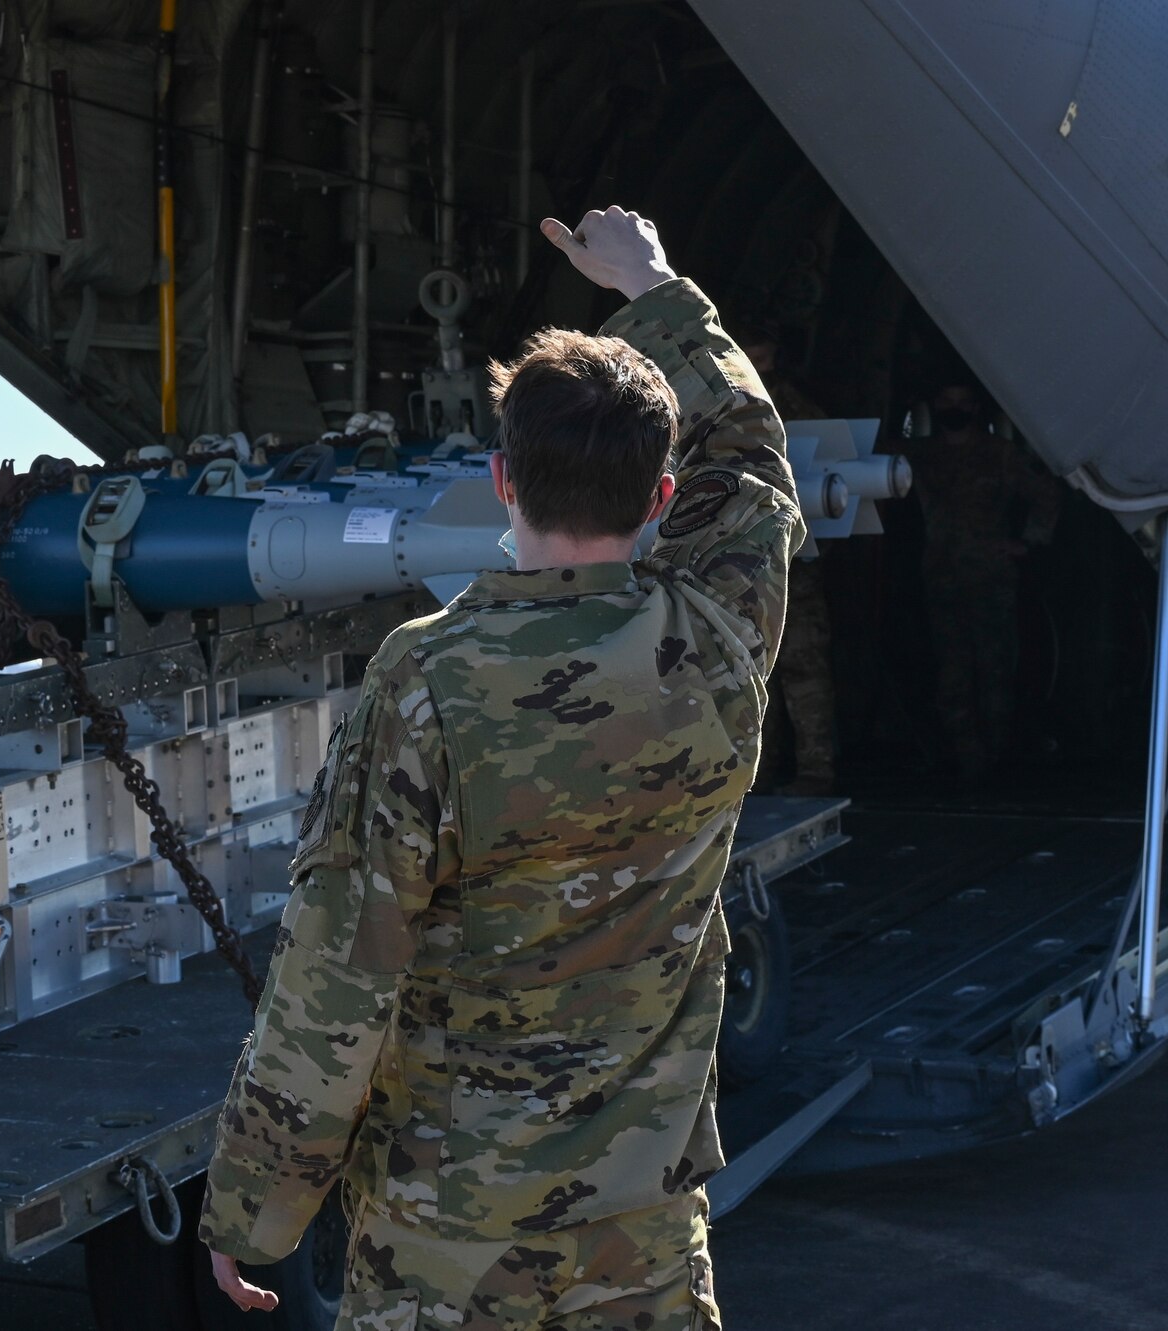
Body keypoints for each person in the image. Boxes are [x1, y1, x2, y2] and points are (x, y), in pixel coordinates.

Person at [200, 206, 803, 1330]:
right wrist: (652, 284)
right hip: (643, 1233)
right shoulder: (721, 632)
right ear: (660, 499)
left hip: (446, 1240)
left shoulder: (423, 679)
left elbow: (338, 976)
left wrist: (255, 1208)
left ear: (500, 481)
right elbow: (751, 453)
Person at [909, 380, 1061, 782]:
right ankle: (968, 764)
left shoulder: (1000, 454)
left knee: (995, 671)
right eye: (946, 399)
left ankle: (998, 761)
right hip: (941, 578)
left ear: (976, 408)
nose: (954, 408)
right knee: (951, 674)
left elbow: (1045, 493)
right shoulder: (922, 455)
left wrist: (1028, 543)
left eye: (962, 402)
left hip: (992, 579)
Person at [740, 328, 836, 795]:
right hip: (743, 566)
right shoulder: (720, 403)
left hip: (792, 565)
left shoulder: (793, 409)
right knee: (754, 673)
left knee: (801, 669)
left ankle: (815, 768)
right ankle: (763, 768)